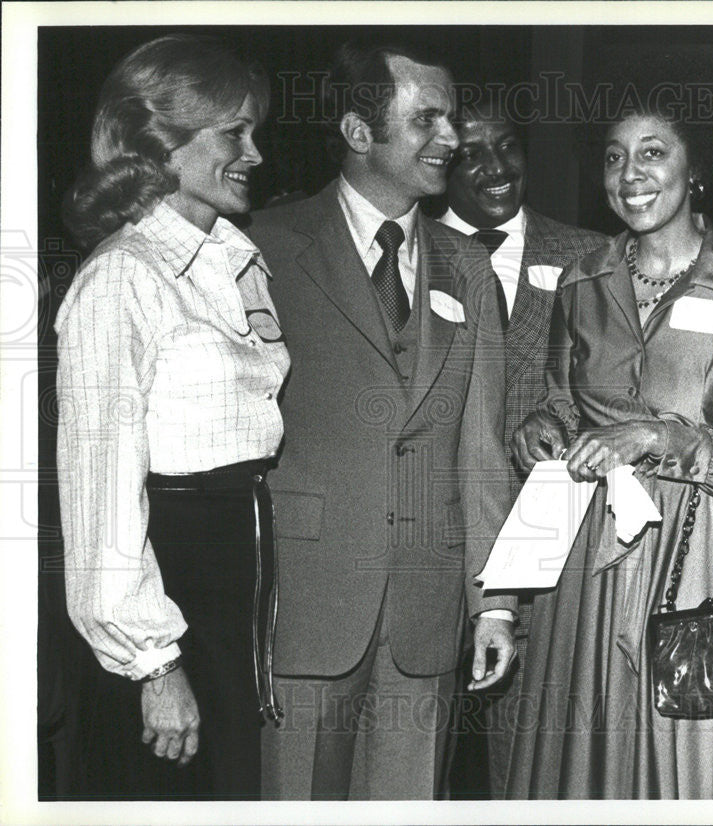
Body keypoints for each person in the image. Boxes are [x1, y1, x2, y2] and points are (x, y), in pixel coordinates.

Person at [508, 96, 713, 799]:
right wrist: (539, 429)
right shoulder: (581, 281)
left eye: (652, 152)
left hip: (699, 555)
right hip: (588, 557)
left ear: (693, 171)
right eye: (614, 157)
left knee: (689, 762)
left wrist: (660, 437)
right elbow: (559, 401)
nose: (629, 173)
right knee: (584, 756)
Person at [247, 43, 516, 800]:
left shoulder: (468, 267)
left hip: (426, 616)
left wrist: (493, 603)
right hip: (305, 604)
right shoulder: (264, 248)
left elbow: (482, 448)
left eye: (451, 118)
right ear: (359, 133)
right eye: (426, 118)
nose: (453, 139)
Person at [56, 34, 288, 799]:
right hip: (171, 588)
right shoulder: (121, 279)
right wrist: (154, 665)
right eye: (234, 133)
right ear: (163, 141)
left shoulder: (233, 260)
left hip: (234, 590)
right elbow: (101, 499)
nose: (255, 152)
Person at [437, 97, 607, 797]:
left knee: (529, 765)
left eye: (507, 146)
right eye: (470, 153)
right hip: (427, 541)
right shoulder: (403, 252)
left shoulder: (588, 256)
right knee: (411, 761)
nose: (495, 168)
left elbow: (618, 383)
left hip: (548, 553)